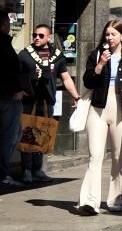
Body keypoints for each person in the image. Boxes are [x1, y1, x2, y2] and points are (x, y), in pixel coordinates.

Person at [77, 19, 122, 214]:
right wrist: (99, 65)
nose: (109, 38)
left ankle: (115, 199)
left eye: (113, 34)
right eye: (107, 34)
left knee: (117, 157)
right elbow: (87, 81)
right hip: (98, 108)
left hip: (120, 109)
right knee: (95, 156)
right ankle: (89, 201)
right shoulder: (96, 55)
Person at [17, 23, 83, 182]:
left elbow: (65, 77)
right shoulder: (25, 55)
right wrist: (18, 91)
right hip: (29, 100)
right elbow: (16, 76)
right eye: (34, 35)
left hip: (47, 101)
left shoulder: (57, 56)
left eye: (40, 35)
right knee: (27, 134)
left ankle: (38, 170)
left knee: (43, 134)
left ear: (49, 37)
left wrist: (75, 95)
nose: (36, 38)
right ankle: (26, 170)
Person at [0, 15, 26, 188]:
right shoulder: (3, 44)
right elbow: (7, 71)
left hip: (7, 95)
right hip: (8, 97)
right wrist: (15, 90)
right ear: (4, 24)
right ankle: (2, 173)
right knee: (10, 136)